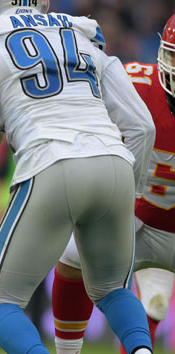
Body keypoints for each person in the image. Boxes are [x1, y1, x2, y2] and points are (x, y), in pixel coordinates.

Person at [0, 1, 156, 353]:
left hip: (50, 162)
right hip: (114, 161)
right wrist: (133, 193)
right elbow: (141, 126)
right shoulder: (81, 34)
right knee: (114, 290)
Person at [52, 13, 175, 354]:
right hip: (133, 221)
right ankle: (67, 351)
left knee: (155, 301)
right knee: (74, 256)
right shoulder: (134, 84)